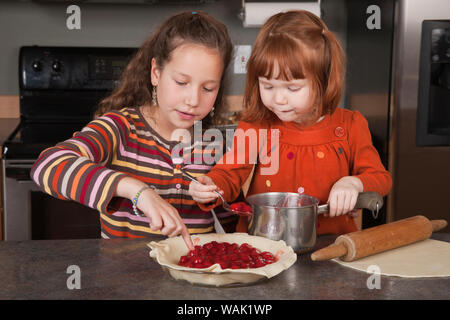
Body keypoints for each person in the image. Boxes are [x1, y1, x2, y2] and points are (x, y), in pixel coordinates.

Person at [31, 11, 235, 250]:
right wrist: (137, 190)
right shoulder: (120, 129)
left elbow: (234, 232)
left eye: (208, 88)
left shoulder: (219, 144)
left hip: (197, 283)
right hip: (125, 282)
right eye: (181, 82)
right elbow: (49, 166)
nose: (193, 99)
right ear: (156, 73)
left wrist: (220, 196)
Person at [189, 10, 392, 235]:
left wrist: (353, 184)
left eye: (292, 88)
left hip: (333, 246)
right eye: (268, 86)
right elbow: (230, 173)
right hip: (264, 244)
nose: (278, 99)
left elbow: (380, 178)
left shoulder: (350, 125)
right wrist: (211, 185)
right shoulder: (257, 125)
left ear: (324, 81)